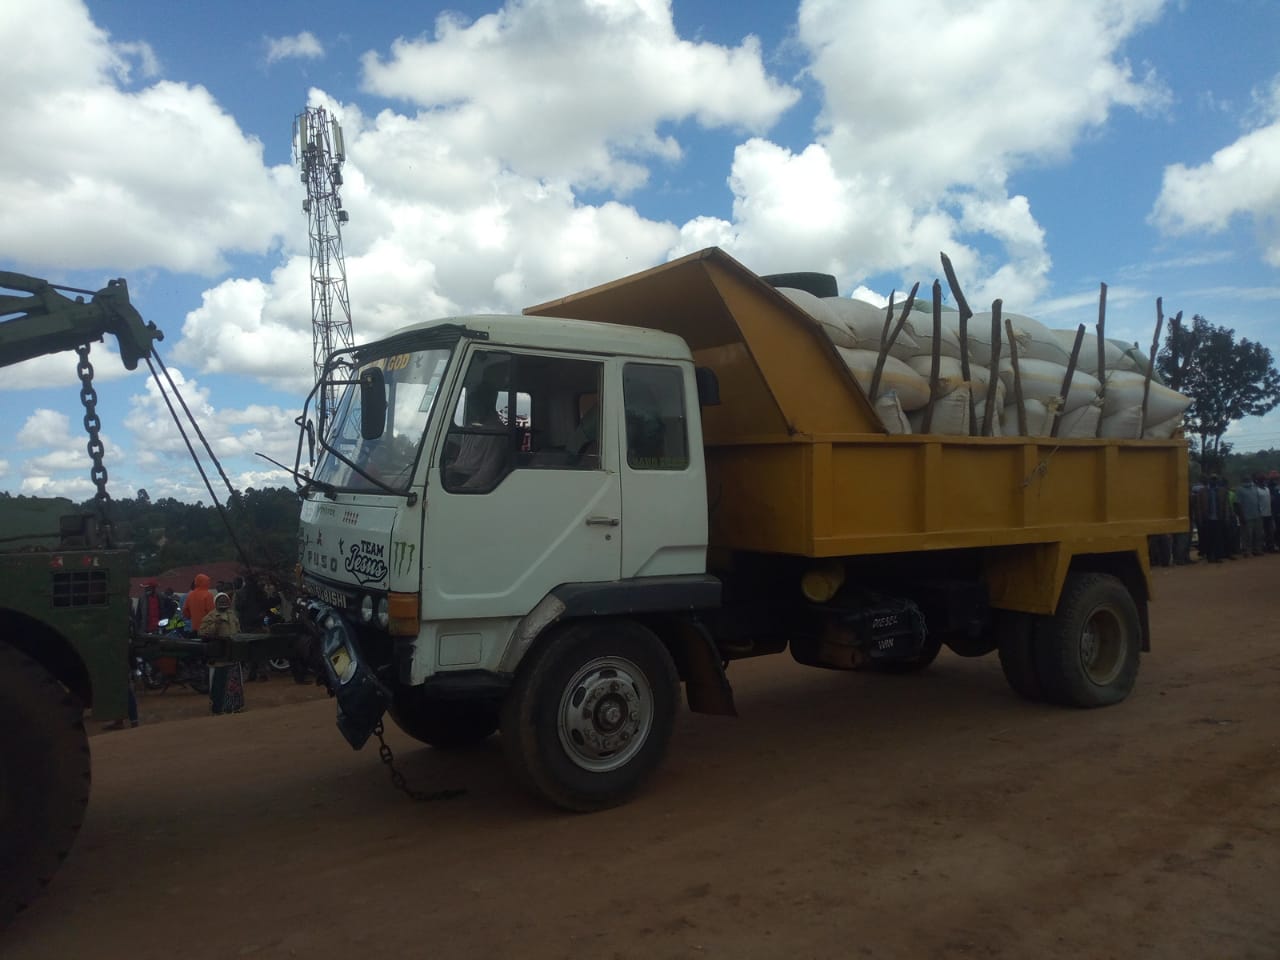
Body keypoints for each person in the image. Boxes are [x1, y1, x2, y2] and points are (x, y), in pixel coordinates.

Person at [200, 592, 244, 715]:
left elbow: (239, 630)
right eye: (220, 601)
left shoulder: (233, 615)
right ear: (215, 603)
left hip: (233, 656)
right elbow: (203, 633)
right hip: (219, 657)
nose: (223, 602)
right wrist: (216, 625)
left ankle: (235, 706)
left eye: (225, 600)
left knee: (234, 684)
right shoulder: (211, 616)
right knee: (219, 684)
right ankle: (218, 709)